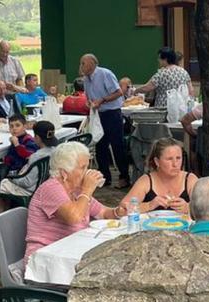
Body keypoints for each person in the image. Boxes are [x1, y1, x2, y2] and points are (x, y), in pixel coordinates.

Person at [23, 141, 127, 263]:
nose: (87, 172)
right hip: (45, 258)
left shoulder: (76, 189)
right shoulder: (51, 188)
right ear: (64, 172)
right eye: (83, 168)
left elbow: (103, 213)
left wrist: (117, 212)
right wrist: (87, 189)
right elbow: (74, 217)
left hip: (70, 251)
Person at [80, 53, 130, 188]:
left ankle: (124, 176)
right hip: (98, 114)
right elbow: (89, 97)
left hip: (112, 113)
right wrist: (89, 103)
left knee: (117, 145)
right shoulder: (86, 79)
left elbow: (119, 92)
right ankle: (104, 177)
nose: (81, 66)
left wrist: (102, 100)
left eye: (83, 63)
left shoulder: (104, 74)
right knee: (100, 146)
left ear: (92, 63)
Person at [121, 138, 197, 214]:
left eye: (178, 158)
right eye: (169, 159)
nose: (175, 164)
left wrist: (188, 207)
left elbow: (207, 208)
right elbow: (122, 209)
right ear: (157, 161)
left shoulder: (190, 179)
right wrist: (149, 205)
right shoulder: (146, 180)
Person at [0, 120, 58, 200]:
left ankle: (2, 211)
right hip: (46, 185)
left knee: (2, 184)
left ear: (37, 137)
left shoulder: (36, 156)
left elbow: (27, 182)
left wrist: (12, 178)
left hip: (32, 190)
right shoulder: (55, 150)